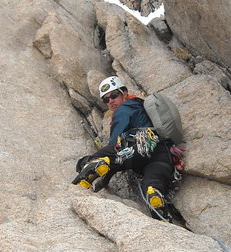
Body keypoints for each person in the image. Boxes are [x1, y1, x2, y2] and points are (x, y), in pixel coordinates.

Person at [73, 75, 175, 218]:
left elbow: (115, 145)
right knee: (153, 183)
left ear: (124, 93)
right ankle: (157, 202)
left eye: (114, 95)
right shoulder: (140, 105)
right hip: (162, 153)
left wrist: (105, 162)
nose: (111, 101)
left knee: (103, 156)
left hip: (139, 146)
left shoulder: (124, 109)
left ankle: (91, 165)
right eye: (106, 99)